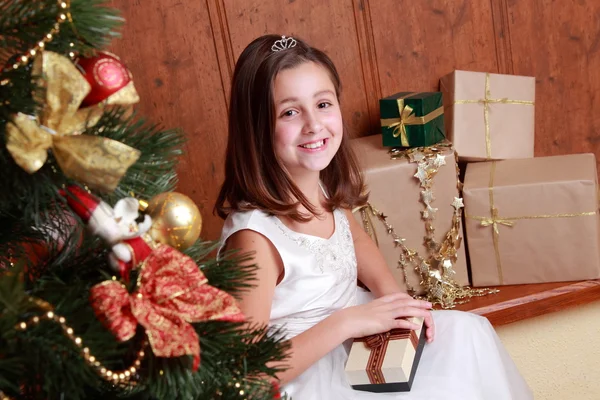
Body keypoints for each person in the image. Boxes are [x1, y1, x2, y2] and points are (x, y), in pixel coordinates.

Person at [214, 34, 532, 399]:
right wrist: (346, 323)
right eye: (289, 112)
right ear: (257, 129)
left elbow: (357, 243)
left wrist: (397, 303)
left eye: (322, 104)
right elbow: (244, 374)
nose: (314, 125)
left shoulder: (322, 189)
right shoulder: (253, 240)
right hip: (306, 372)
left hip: (357, 335)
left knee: (467, 335)